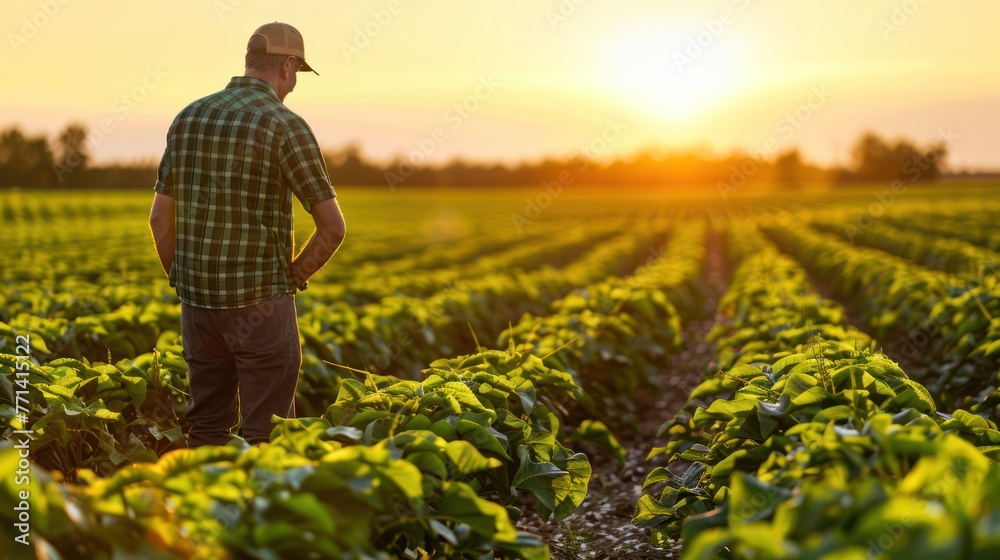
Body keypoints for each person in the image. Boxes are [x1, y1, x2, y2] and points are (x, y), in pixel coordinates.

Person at [148, 22, 346, 448]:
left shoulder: (189, 116)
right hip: (261, 305)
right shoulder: (285, 124)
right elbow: (333, 228)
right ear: (289, 66)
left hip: (197, 306)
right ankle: (259, 513)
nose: (293, 86)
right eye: (296, 75)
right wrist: (290, 279)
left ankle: (202, 510)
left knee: (206, 430)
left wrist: (183, 280)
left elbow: (160, 219)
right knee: (268, 437)